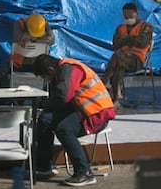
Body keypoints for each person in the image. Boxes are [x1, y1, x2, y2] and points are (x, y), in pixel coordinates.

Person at [32, 54, 116, 187]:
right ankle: (44, 167)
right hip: (82, 110)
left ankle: (84, 173)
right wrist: (45, 112)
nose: (47, 80)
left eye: (45, 77)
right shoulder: (61, 70)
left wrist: (47, 108)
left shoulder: (68, 69)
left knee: (64, 129)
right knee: (44, 120)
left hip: (97, 113)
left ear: (50, 70)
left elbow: (63, 96)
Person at [101, 3, 153, 109]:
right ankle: (117, 98)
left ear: (136, 14)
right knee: (119, 63)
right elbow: (115, 45)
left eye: (131, 16)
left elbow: (142, 43)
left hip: (137, 60)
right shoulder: (120, 28)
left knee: (118, 57)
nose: (128, 19)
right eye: (126, 17)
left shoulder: (145, 27)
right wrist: (132, 40)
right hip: (121, 59)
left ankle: (103, 83)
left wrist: (126, 39)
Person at [0, 13, 55, 88]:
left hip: (38, 65)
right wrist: (40, 38)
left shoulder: (44, 23)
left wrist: (32, 40)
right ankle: (6, 96)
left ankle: (46, 95)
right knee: (2, 69)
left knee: (54, 70)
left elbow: (52, 40)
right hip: (18, 63)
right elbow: (18, 38)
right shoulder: (19, 23)